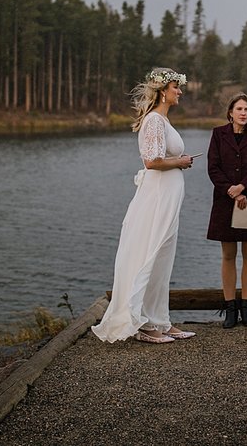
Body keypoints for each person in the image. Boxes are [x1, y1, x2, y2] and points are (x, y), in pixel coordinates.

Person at [92, 67, 198, 344]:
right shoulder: (153, 121)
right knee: (151, 255)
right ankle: (144, 324)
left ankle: (161, 321)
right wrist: (181, 162)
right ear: (164, 91)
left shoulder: (163, 121)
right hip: (157, 197)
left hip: (168, 198)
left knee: (163, 259)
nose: (180, 92)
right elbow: (152, 161)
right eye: (176, 87)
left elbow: (161, 157)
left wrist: (178, 161)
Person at [206, 93, 247, 328]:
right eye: (239, 109)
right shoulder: (218, 134)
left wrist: (242, 188)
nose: (244, 113)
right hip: (225, 201)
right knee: (228, 255)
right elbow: (213, 168)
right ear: (230, 113)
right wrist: (231, 191)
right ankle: (230, 307)